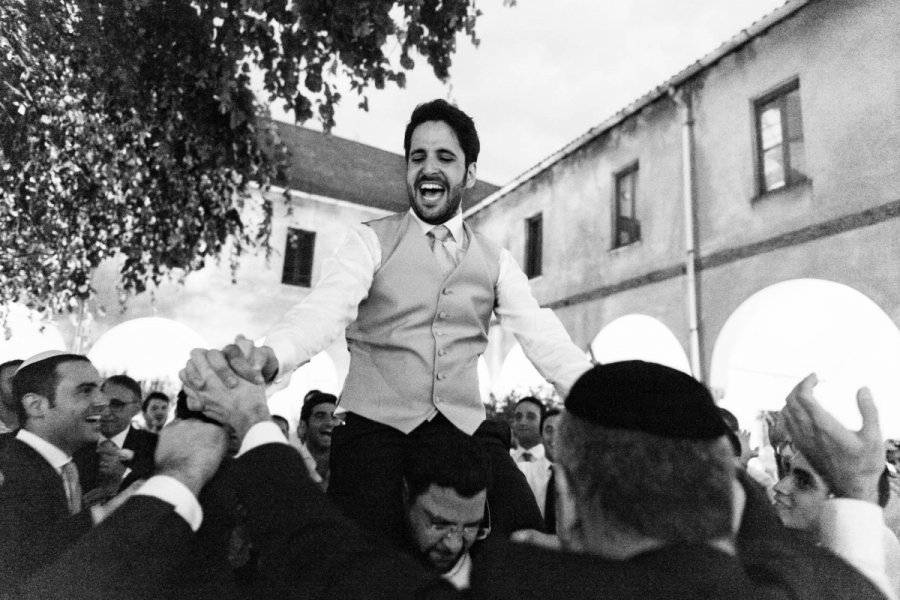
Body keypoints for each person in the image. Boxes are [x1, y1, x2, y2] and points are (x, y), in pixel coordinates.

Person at [185, 99, 582, 542]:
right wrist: (271, 356)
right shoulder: (369, 241)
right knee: (364, 563)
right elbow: (325, 309)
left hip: (465, 432)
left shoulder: (497, 260)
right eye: (418, 157)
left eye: (445, 158)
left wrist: (604, 394)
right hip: (377, 436)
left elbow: (540, 332)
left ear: (469, 173)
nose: (429, 168)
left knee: (525, 538)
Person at [0, 351, 133, 593]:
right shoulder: (8, 469)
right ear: (36, 405)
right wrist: (105, 513)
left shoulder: (66, 465)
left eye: (101, 389)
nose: (103, 402)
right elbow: (18, 567)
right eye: (85, 390)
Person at [73, 374, 158, 505]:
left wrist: (123, 476)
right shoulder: (76, 440)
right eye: (101, 404)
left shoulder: (153, 445)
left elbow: (159, 490)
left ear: (137, 408)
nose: (105, 412)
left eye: (116, 404)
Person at [297, 391, 340, 490]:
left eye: (334, 417)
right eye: (320, 416)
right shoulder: (289, 464)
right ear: (303, 426)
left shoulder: (350, 465)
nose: (329, 423)